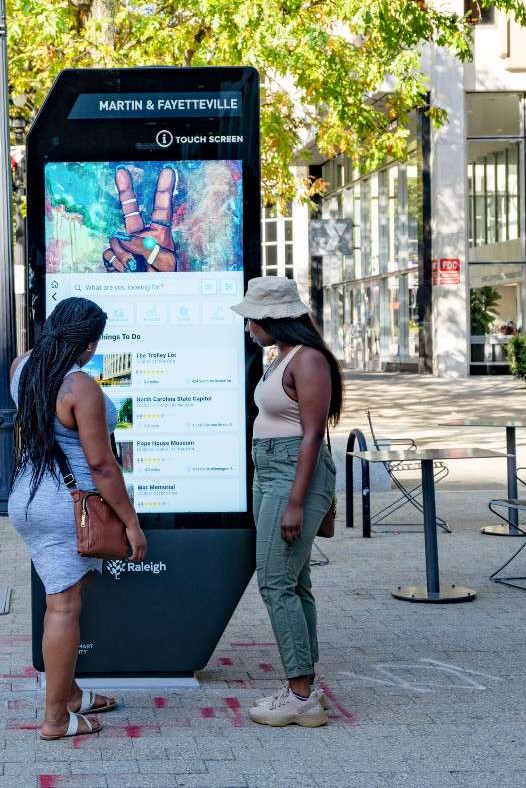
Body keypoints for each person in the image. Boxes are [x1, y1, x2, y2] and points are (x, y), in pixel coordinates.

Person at [9, 297, 148, 740]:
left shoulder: (22, 367)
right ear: (87, 344)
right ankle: (55, 719)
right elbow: (103, 465)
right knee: (64, 605)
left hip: (30, 495)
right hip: (67, 504)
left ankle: (69, 696)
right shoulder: (79, 387)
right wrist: (131, 522)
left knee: (66, 596)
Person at [232, 276, 343, 729]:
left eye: (252, 319)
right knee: (294, 583)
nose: (247, 328)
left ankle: (299, 693)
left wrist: (296, 501)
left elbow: (314, 434)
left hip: (294, 474)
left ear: (273, 318)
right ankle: (306, 688)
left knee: (275, 582)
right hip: (270, 471)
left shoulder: (310, 360)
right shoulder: (282, 358)